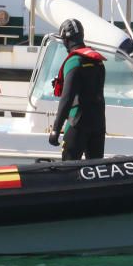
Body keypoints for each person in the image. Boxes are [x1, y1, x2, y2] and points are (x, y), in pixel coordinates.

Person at [49, 19, 106, 160]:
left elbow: (67, 98)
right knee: (95, 169)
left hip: (78, 122)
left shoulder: (74, 61)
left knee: (68, 168)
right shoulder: (97, 61)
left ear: (66, 39)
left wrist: (56, 129)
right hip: (98, 122)